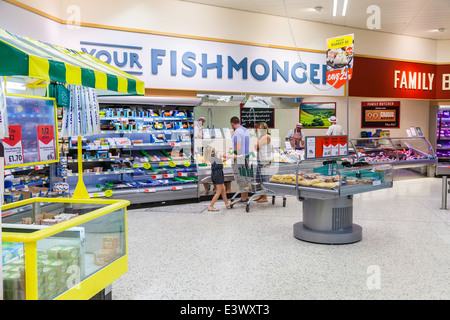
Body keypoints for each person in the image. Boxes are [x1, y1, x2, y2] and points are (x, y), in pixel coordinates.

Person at [204, 146, 236, 211]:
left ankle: (227, 204)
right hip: (218, 174)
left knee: (223, 189)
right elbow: (226, 156)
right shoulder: (217, 154)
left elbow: (220, 161)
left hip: (215, 174)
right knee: (219, 192)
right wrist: (235, 156)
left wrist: (225, 159)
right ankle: (210, 206)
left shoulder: (211, 156)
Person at [230, 116, 250, 202]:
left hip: (239, 157)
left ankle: (244, 198)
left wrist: (233, 156)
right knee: (245, 177)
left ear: (232, 124)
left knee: (240, 177)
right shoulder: (246, 130)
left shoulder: (237, 132)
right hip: (246, 156)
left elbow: (238, 146)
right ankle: (244, 197)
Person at [254, 122, 273, 203]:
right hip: (260, 161)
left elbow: (256, 146)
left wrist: (257, 140)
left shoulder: (266, 137)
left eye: (258, 128)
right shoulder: (262, 137)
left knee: (264, 180)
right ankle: (261, 195)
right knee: (259, 179)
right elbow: (257, 148)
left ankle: (265, 197)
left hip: (265, 162)